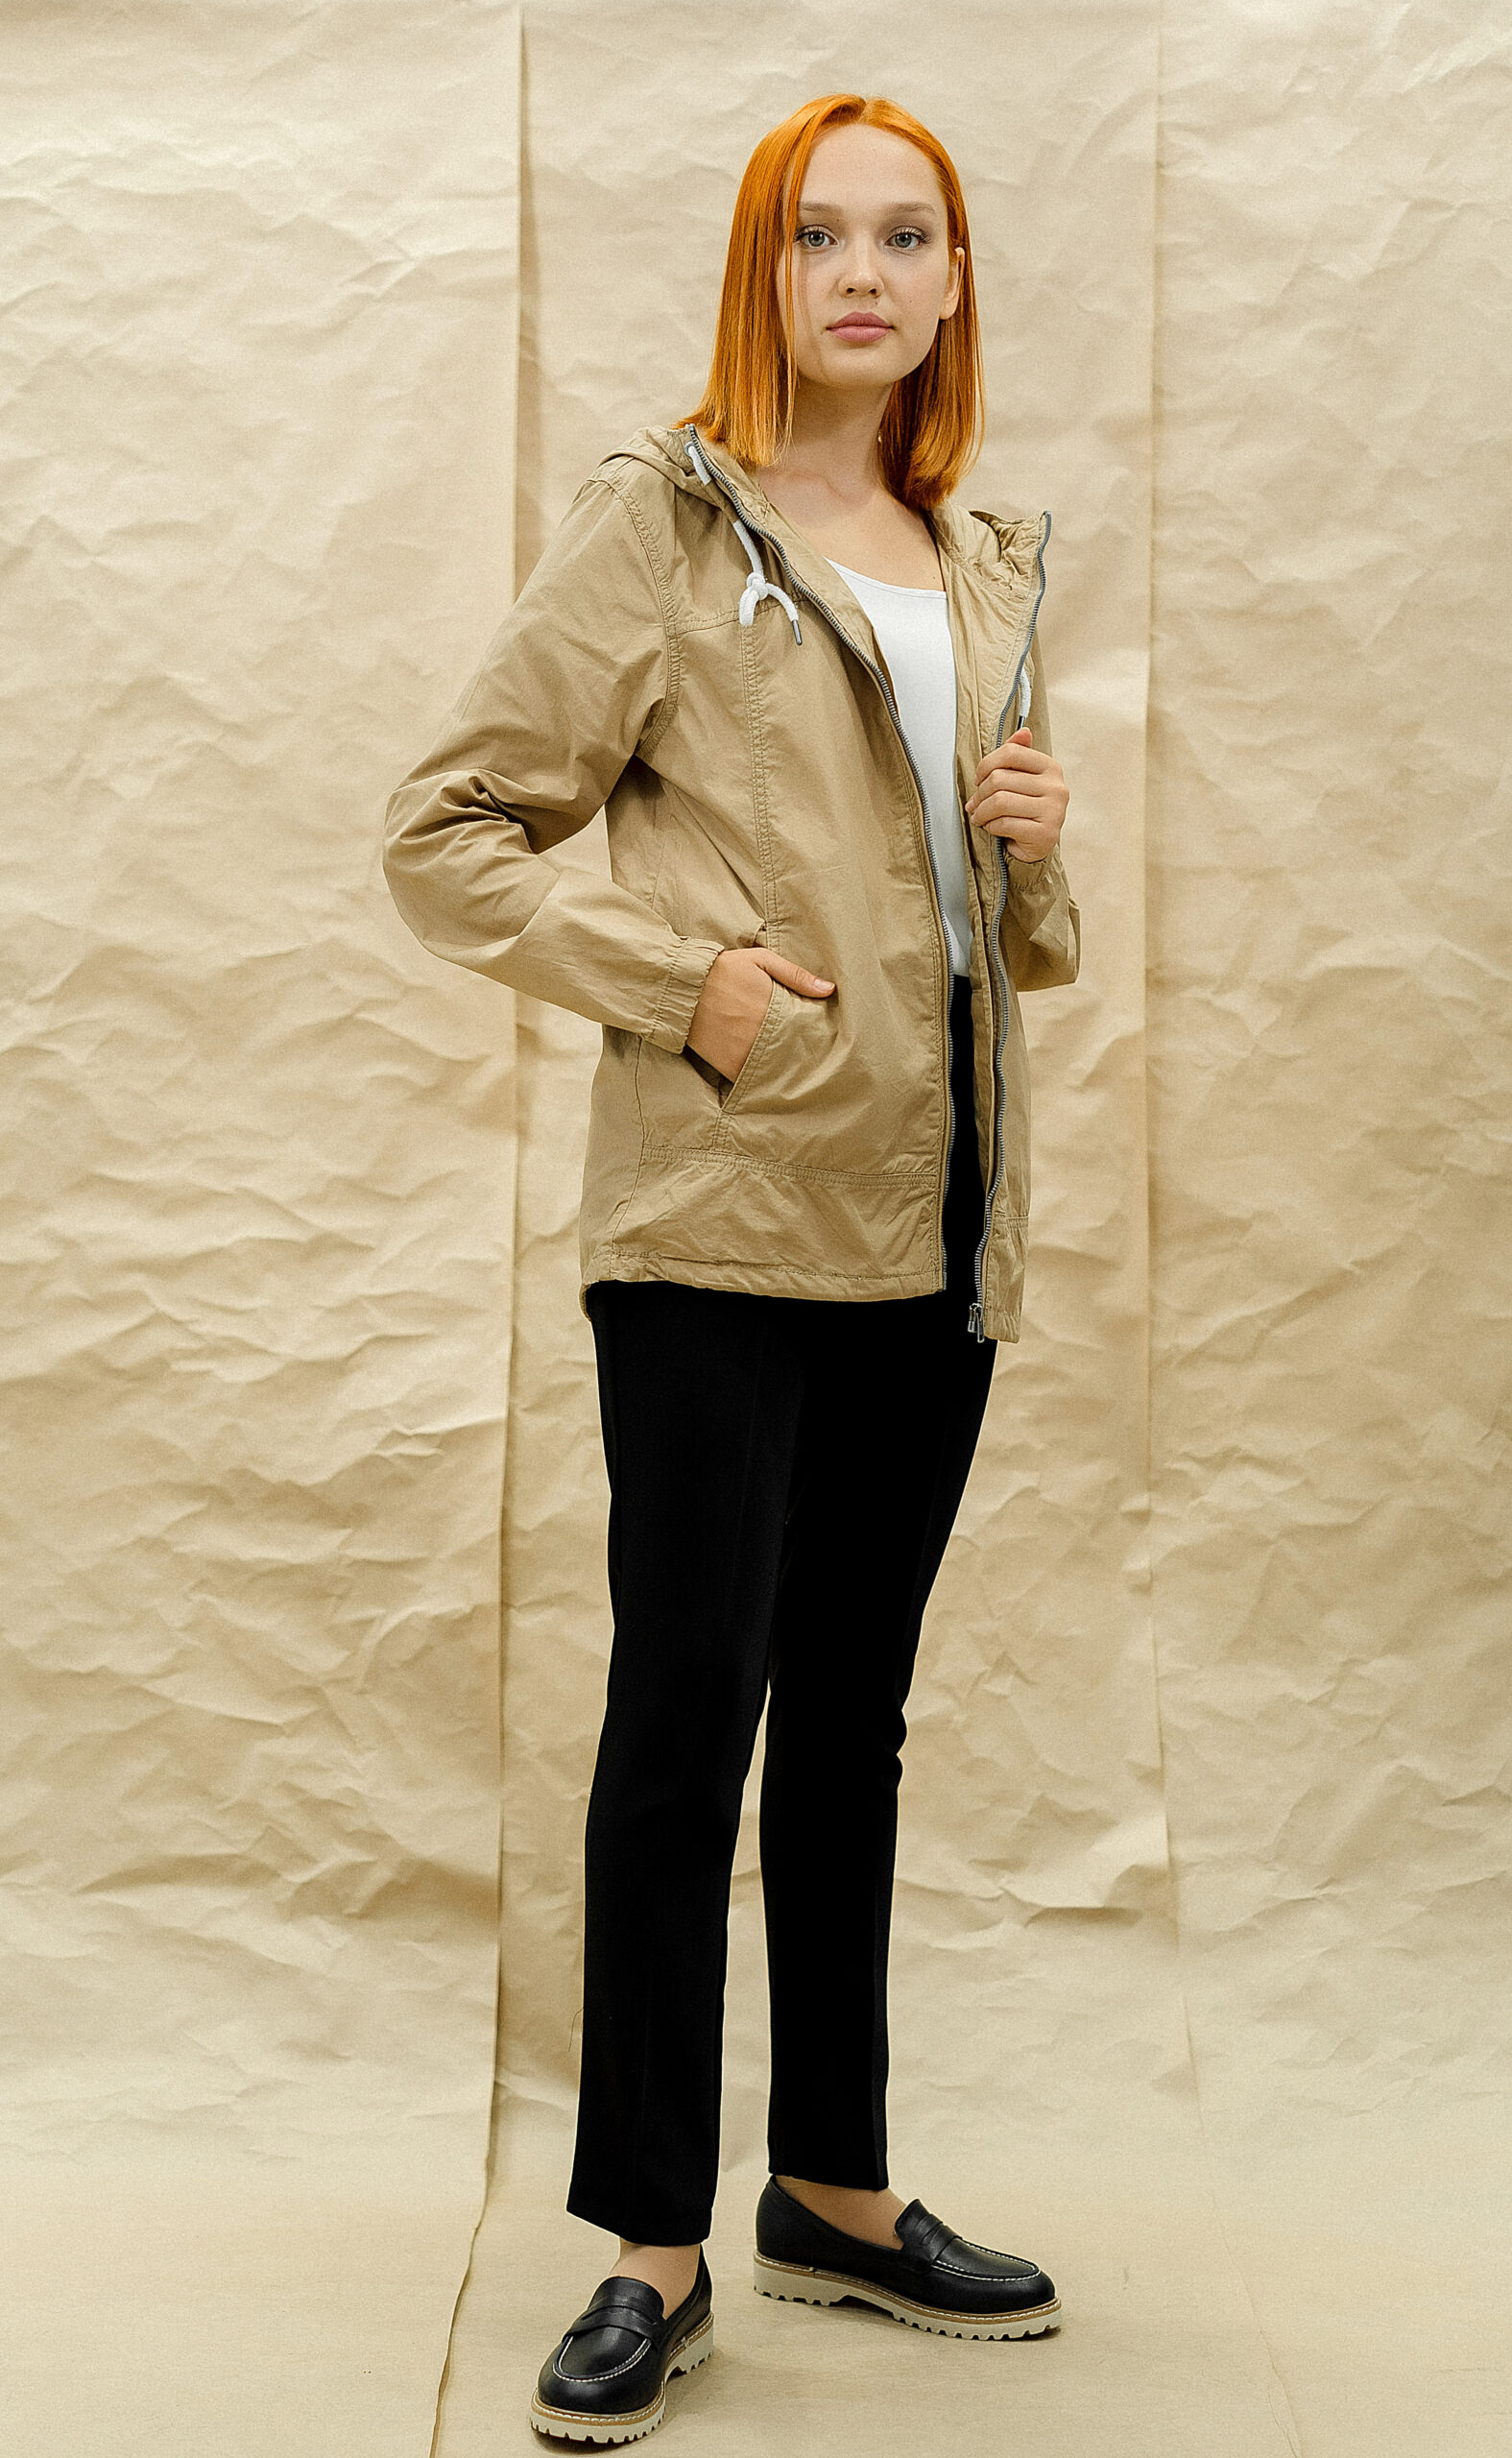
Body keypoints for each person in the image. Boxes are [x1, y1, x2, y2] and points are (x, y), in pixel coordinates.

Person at [385, 89, 1078, 2446]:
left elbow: (996, 940)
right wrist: (676, 983)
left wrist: (1033, 841)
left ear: (951, 281)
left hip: (939, 1211)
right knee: (686, 1714)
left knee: (851, 1717)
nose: (862, 274)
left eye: (906, 236)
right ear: (762, 273)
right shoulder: (665, 521)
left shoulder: (979, 555)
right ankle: (648, 2241)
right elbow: (446, 829)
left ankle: (832, 2184)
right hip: (716, 1215)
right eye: (818, 236)